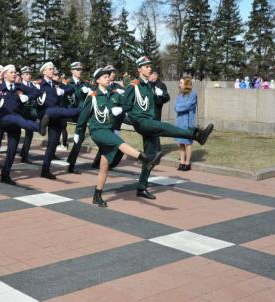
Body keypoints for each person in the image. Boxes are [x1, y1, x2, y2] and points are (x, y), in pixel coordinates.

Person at [122, 56, 214, 199]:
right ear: (139, 69)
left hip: (150, 122)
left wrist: (161, 95)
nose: (149, 68)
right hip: (142, 122)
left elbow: (159, 101)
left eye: (150, 66)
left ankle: (141, 187)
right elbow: (125, 107)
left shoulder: (150, 86)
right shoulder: (133, 86)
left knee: (151, 158)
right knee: (164, 127)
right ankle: (196, 135)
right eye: (146, 66)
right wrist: (134, 121)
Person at [75, 66, 162, 207]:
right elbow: (83, 118)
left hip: (108, 130)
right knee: (119, 142)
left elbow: (127, 103)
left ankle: (97, 195)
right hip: (97, 131)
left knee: (104, 165)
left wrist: (123, 105)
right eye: (104, 77)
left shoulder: (114, 94)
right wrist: (78, 134)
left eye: (108, 76)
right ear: (98, 80)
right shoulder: (93, 97)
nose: (108, 78)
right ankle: (145, 157)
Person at [0, 65, 49, 185]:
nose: (14, 74)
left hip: (16, 122)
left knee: (12, 150)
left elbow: (37, 92)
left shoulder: (19, 87)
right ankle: (39, 127)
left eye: (15, 72)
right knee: (17, 119)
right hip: (3, 119)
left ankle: (5, 174)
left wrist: (26, 97)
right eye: (11, 72)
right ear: (5, 75)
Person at [36, 62, 79, 179]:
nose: (52, 71)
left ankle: (45, 170)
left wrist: (62, 90)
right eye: (50, 69)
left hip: (57, 118)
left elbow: (71, 89)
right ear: (44, 72)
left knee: (52, 144)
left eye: (52, 69)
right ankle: (41, 125)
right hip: (47, 115)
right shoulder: (40, 85)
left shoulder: (56, 84)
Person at [66, 61, 93, 174]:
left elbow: (94, 90)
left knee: (80, 138)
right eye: (77, 69)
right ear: (72, 71)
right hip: (71, 112)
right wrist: (79, 92)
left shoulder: (85, 83)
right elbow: (70, 99)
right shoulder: (68, 83)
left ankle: (71, 164)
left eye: (81, 69)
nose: (80, 71)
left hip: (83, 114)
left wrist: (91, 91)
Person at [174, 76, 197, 171]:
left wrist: (180, 107)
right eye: (180, 83)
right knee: (180, 142)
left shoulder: (192, 94)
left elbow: (187, 106)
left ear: (186, 84)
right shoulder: (179, 95)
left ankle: (187, 163)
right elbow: (176, 107)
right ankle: (182, 162)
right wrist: (180, 107)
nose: (179, 84)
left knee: (188, 143)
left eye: (181, 83)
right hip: (179, 121)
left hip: (188, 122)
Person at [19, 66, 38, 164]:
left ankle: (24, 154)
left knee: (29, 134)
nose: (29, 76)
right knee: (16, 134)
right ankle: (14, 151)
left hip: (31, 112)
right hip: (21, 112)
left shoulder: (33, 86)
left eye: (30, 74)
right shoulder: (19, 85)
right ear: (22, 75)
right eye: (26, 74)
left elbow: (36, 95)